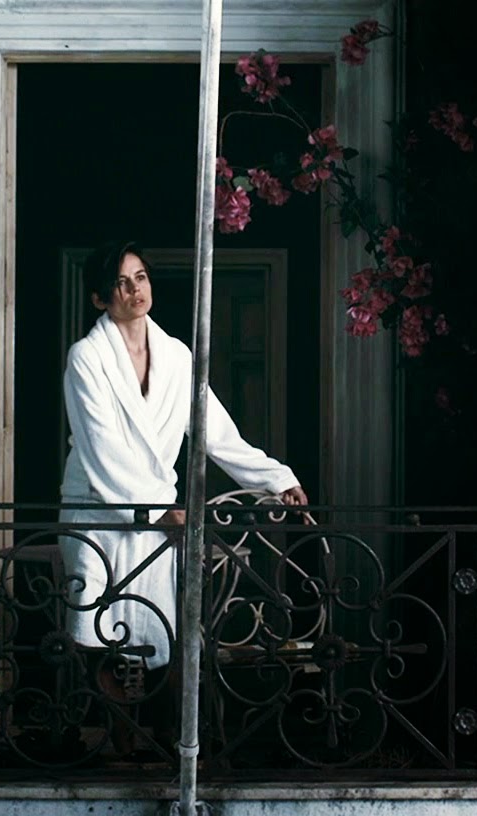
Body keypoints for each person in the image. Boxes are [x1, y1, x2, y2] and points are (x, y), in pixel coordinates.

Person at [58, 239, 307, 752]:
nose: (134, 289)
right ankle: (118, 743)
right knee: (100, 628)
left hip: (158, 514)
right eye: (121, 283)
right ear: (100, 298)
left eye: (141, 277)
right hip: (101, 508)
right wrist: (157, 509)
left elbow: (216, 432)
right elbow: (102, 448)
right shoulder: (86, 358)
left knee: (156, 628)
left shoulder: (176, 356)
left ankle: (163, 743)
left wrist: (275, 477)